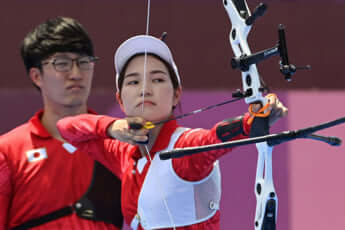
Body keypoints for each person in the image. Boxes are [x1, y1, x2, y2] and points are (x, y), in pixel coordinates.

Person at [57, 34, 288, 229]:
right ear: (120, 99)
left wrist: (254, 121)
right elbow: (67, 128)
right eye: (133, 82)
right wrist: (111, 127)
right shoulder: (124, 153)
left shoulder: (185, 148)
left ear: (177, 94)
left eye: (157, 79)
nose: (145, 89)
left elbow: (213, 138)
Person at [0, 17, 123, 230]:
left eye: (84, 62)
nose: (76, 74)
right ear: (36, 75)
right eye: (62, 63)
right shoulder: (7, 151)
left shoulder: (118, 144)